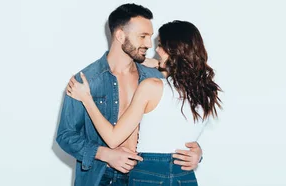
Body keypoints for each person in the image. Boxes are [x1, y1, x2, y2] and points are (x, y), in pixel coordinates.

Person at [56, 4, 203, 186]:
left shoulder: (155, 78)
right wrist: (105, 154)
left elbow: (177, 121)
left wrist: (196, 152)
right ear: (120, 35)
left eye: (150, 36)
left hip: (145, 175)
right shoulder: (86, 81)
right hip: (100, 176)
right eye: (143, 36)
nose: (149, 44)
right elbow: (65, 135)